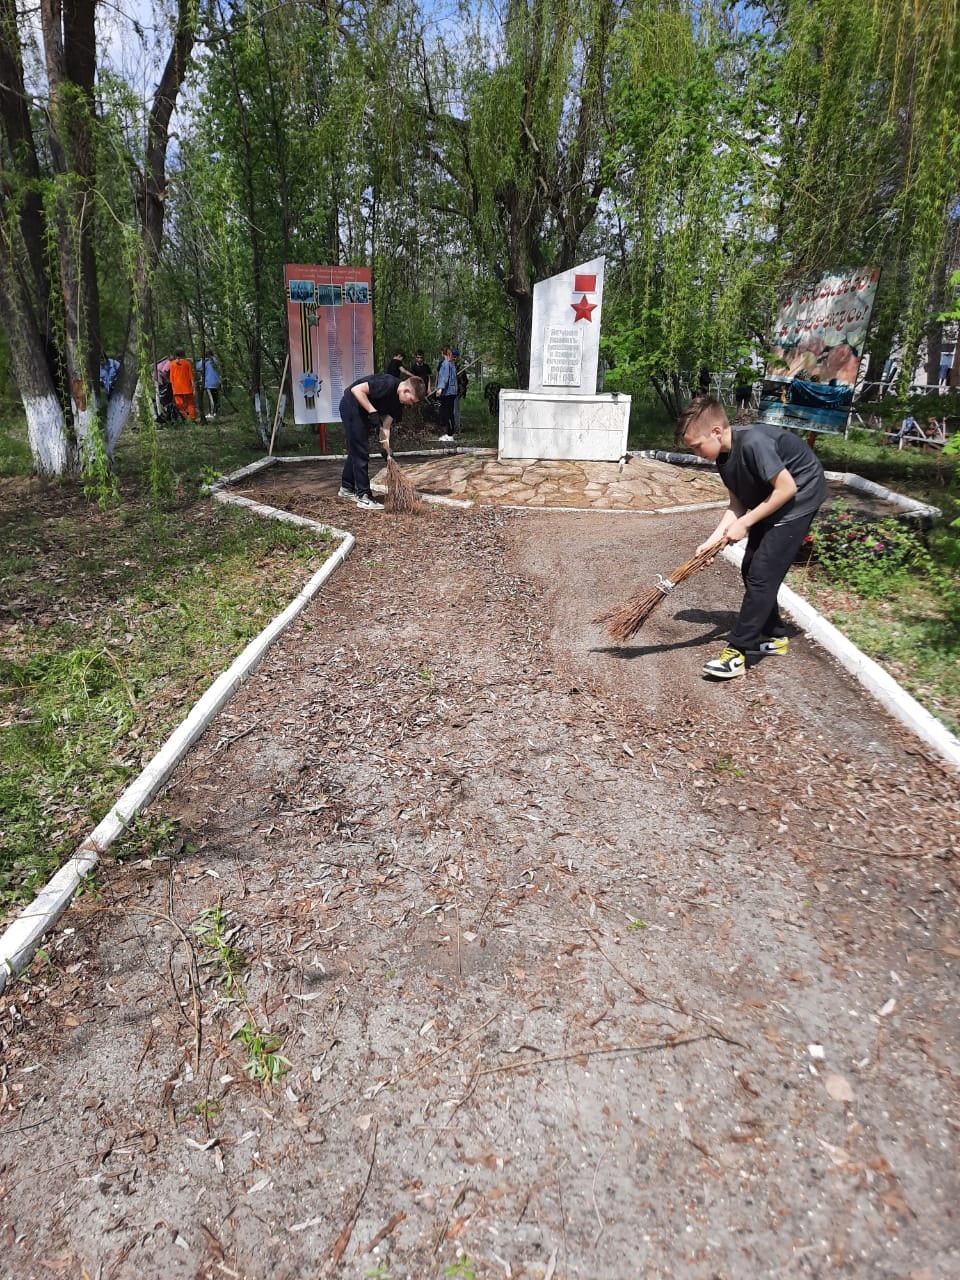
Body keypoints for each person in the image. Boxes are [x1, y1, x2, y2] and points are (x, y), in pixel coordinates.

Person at [678, 395, 827, 680]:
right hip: (772, 497)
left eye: (697, 446)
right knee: (751, 569)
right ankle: (775, 636)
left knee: (762, 574)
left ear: (716, 432)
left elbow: (786, 489)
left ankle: (737, 652)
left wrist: (746, 523)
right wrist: (712, 541)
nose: (697, 454)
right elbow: (736, 505)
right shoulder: (723, 457)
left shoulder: (754, 443)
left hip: (800, 495)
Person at [338, 372, 426, 510]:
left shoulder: (398, 403)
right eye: (411, 400)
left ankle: (346, 488)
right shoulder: (386, 383)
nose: (410, 404)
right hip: (351, 405)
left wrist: (386, 449)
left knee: (357, 448)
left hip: (363, 411)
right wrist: (372, 411)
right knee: (361, 450)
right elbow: (356, 390)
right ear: (406, 390)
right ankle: (363, 496)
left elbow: (385, 427)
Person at [436, 346, 458, 442]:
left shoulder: (445, 364)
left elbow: (444, 377)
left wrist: (440, 388)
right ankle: (450, 433)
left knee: (445, 413)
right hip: (453, 391)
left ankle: (448, 434)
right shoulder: (452, 364)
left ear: (443, 353)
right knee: (450, 413)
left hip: (447, 392)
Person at [169, 348, 196, 421]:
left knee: (179, 404)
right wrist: (193, 387)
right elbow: (191, 377)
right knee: (190, 403)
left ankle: (183, 418)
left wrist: (172, 388)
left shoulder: (172, 364)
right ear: (183, 354)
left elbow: (171, 378)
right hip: (187, 386)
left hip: (177, 387)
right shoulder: (187, 363)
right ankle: (192, 418)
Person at [195, 352, 221, 418]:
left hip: (209, 383)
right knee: (216, 398)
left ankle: (212, 413)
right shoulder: (216, 360)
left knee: (211, 398)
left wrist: (201, 360)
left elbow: (198, 367)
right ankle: (216, 412)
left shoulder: (205, 361)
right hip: (217, 382)